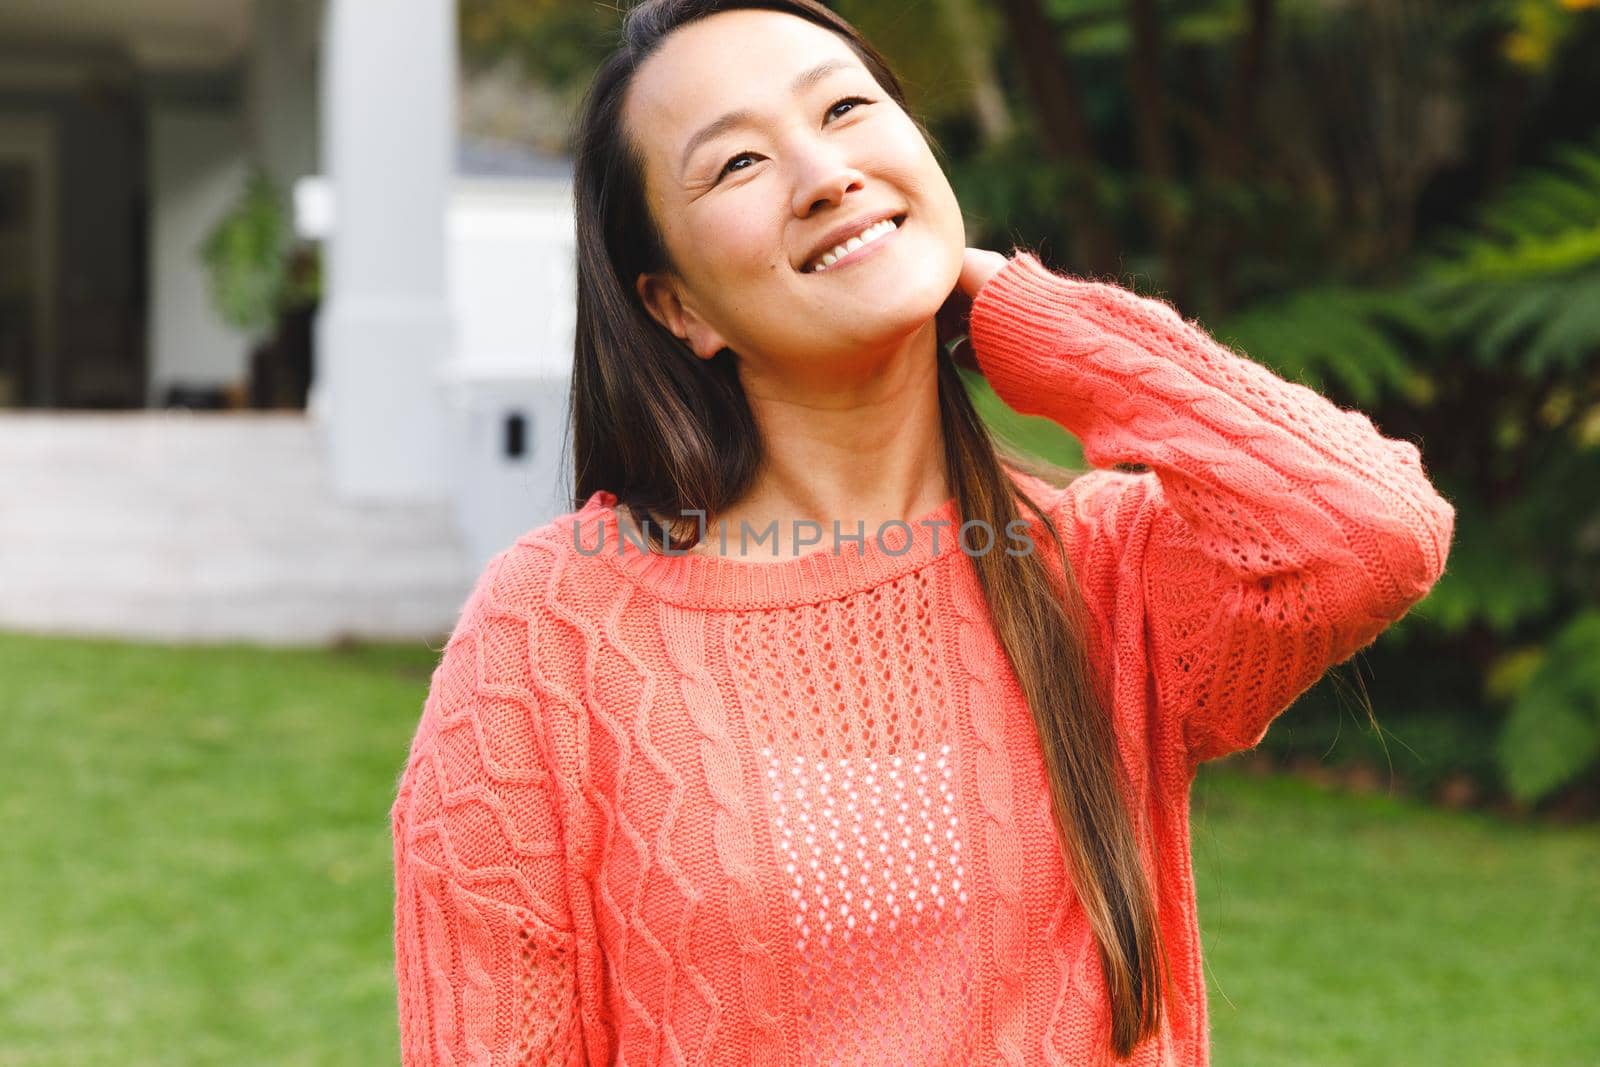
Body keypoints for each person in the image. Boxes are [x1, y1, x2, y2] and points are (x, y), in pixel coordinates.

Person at [388, 1, 1456, 1063]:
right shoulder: (552, 637)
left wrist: (1023, 319)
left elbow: (1370, 530)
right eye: (739, 164)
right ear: (677, 307)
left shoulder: (1098, 566)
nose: (824, 174)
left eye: (846, 108)